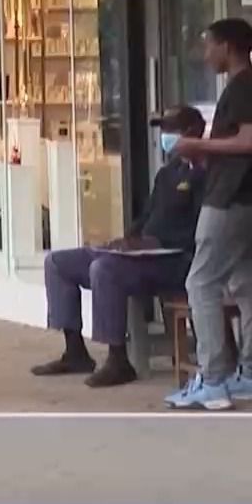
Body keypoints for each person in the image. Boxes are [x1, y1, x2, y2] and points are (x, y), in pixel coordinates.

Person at [31, 105, 207, 387]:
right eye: (163, 129)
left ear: (193, 131)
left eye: (172, 129)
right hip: (143, 255)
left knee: (105, 269)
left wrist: (158, 242)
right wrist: (126, 239)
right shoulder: (168, 173)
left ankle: (118, 359)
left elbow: (203, 229)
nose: (166, 135)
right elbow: (147, 217)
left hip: (176, 260)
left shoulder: (207, 174)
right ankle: (75, 351)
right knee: (58, 263)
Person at [165, 17, 252, 410]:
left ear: (227, 47)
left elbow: (247, 141)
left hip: (230, 199)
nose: (204, 54)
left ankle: (213, 378)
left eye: (208, 45)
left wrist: (197, 147)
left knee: (201, 282)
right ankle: (247, 373)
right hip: (241, 196)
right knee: (245, 283)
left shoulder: (243, 86)